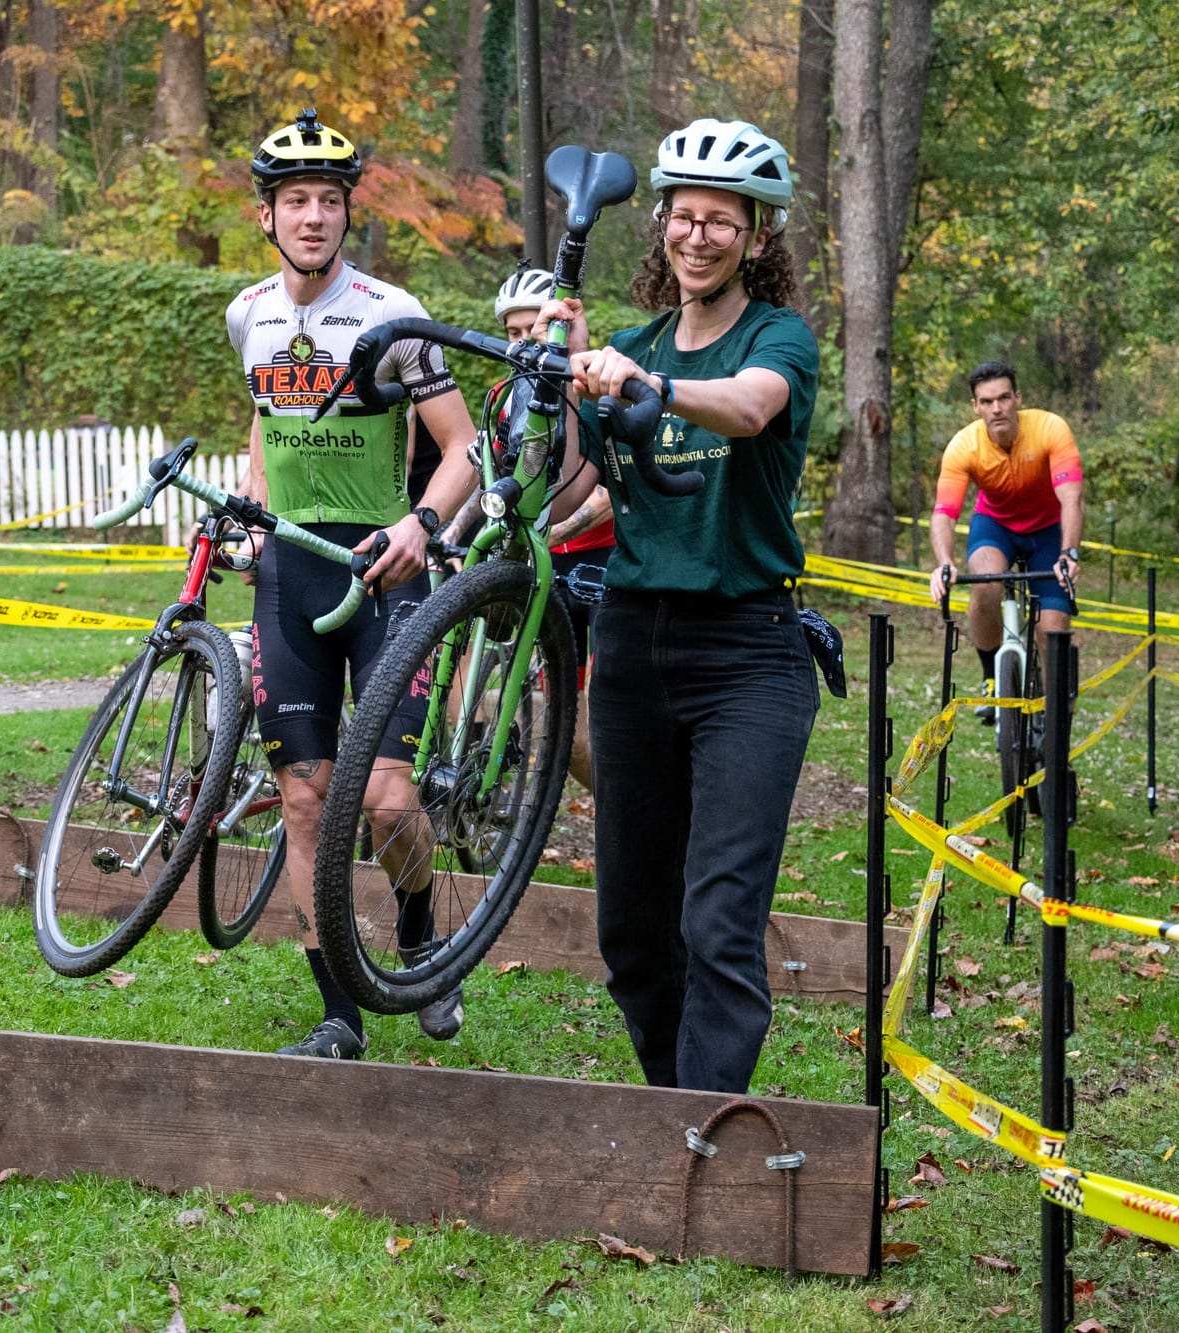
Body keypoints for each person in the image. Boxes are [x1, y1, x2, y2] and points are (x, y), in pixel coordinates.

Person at [538, 118, 822, 1094]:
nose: (697, 236)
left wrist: (649, 385)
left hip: (748, 650)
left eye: (721, 222)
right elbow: (576, 478)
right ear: (658, 226)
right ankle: (676, 1114)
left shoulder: (773, 337)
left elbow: (744, 408)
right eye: (682, 217)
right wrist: (558, 371)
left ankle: (702, 1129)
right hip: (629, 647)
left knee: (716, 921)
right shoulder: (629, 343)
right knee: (631, 931)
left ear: (756, 237)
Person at [228, 109, 482, 1060]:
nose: (311, 218)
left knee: (381, 799)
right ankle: (337, 1011)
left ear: (346, 214)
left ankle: (418, 921)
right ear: (267, 214)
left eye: (328, 202)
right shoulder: (247, 314)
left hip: (383, 569)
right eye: (294, 201)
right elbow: (262, 420)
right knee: (304, 795)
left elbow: (461, 447)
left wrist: (422, 524)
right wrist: (253, 506)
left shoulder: (390, 314)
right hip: (290, 570)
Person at [496, 266, 610, 792]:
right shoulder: (507, 401)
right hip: (547, 568)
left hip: (604, 566)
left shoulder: (596, 381)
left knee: (606, 732)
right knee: (570, 739)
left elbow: (609, 485)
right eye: (514, 334)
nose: (525, 343)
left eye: (535, 330)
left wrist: (559, 524)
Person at [924, 361, 1084, 722]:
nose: (996, 408)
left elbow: (1072, 497)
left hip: (1048, 531)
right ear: (975, 406)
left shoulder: (1050, 429)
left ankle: (1056, 709)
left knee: (1052, 629)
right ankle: (992, 678)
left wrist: (1068, 552)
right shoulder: (964, 445)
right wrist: (945, 561)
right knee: (985, 583)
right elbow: (944, 512)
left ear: (1017, 399)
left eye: (1003, 398)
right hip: (995, 526)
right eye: (987, 401)